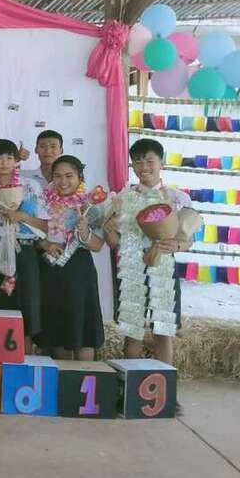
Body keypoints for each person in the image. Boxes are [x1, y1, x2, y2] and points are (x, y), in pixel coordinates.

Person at [103, 139, 192, 365]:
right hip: (132, 266)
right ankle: (129, 382)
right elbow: (114, 243)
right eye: (137, 162)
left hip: (164, 266)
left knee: (163, 330)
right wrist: (108, 231)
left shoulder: (177, 198)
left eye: (150, 161)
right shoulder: (121, 198)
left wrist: (176, 246)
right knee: (133, 330)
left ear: (161, 162)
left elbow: (187, 240)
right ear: (132, 165)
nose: (144, 167)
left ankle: (165, 383)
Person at [0, 139, 48, 353]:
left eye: (9, 157)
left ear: (16, 160)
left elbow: (45, 224)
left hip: (25, 251)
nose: (5, 162)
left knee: (26, 307)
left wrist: (22, 217)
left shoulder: (31, 185)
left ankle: (25, 359)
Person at [37, 156, 105, 360]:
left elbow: (98, 245)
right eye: (57, 176)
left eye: (69, 176)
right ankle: (63, 376)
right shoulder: (42, 201)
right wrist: (45, 244)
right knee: (58, 329)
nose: (63, 181)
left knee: (83, 329)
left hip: (79, 270)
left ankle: (85, 373)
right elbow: (33, 236)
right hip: (51, 268)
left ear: (80, 177)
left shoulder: (91, 205)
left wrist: (84, 232)